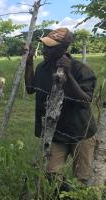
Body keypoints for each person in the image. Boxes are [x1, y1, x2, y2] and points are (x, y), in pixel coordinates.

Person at [25, 28, 97, 193]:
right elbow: (30, 88)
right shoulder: (43, 68)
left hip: (80, 132)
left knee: (82, 177)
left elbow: (85, 101)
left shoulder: (81, 70)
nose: (44, 50)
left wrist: (68, 75)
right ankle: (65, 195)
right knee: (50, 174)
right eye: (44, 46)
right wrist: (29, 64)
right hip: (55, 132)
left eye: (49, 47)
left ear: (63, 49)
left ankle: (78, 195)